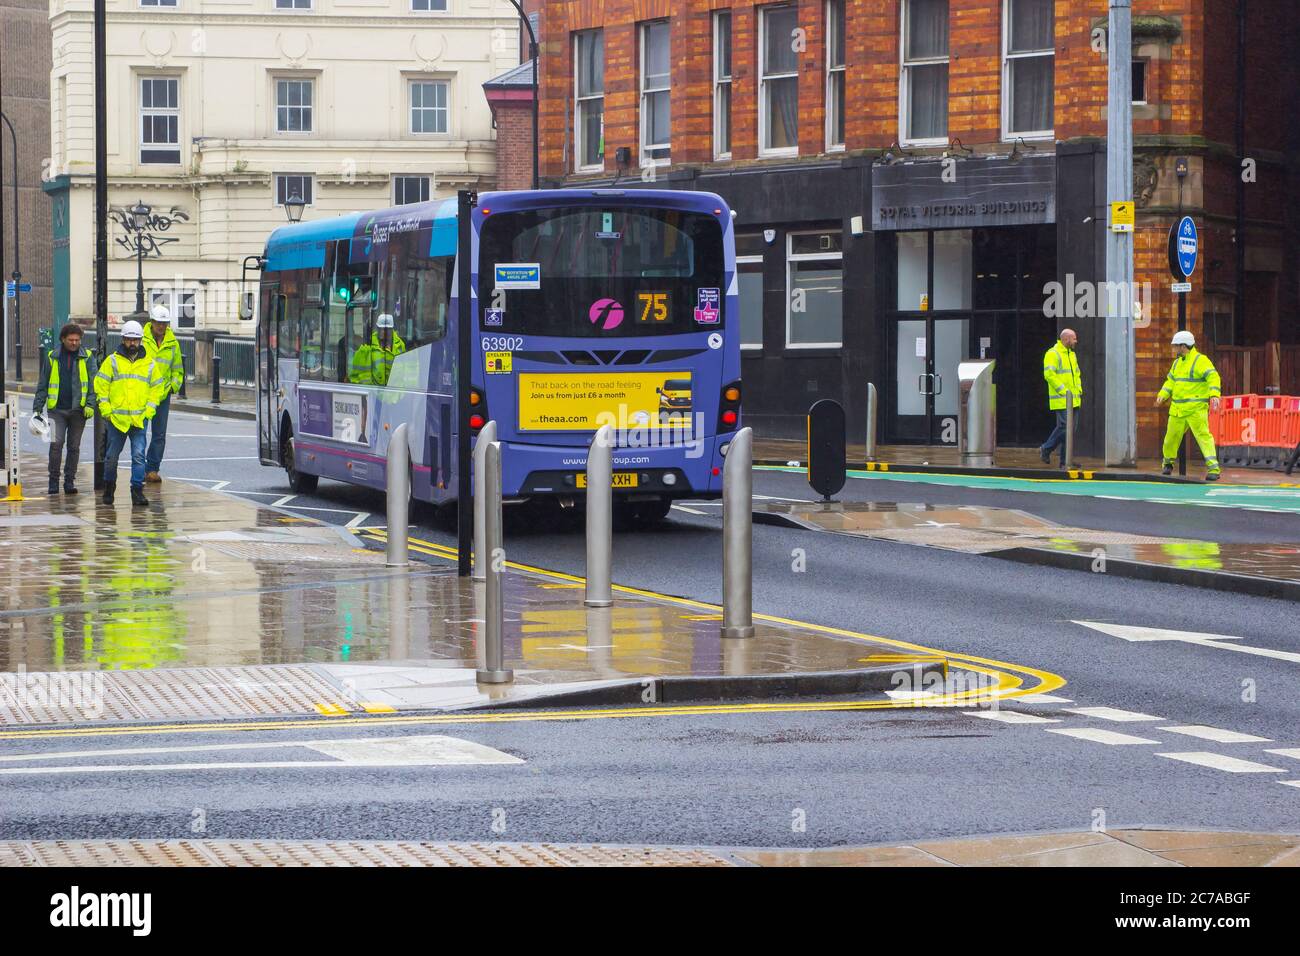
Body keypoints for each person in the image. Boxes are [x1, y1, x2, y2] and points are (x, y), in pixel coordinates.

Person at [95, 320, 168, 507]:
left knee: (138, 456)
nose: (132, 343)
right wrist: (106, 411)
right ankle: (109, 487)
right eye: (129, 339)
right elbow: (101, 386)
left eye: (136, 340)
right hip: (117, 420)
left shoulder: (149, 364)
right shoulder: (112, 361)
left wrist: (149, 411)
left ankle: (137, 491)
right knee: (111, 457)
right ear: (123, 339)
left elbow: (157, 389)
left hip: (138, 419)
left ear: (141, 341)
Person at [32, 322, 97, 495]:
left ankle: (69, 482)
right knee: (56, 444)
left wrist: (90, 404)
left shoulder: (88, 357)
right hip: (56, 410)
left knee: (74, 447)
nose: (75, 343)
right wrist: (37, 409)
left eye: (77, 340)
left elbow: (93, 384)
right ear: (63, 339)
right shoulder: (52, 357)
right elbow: (43, 383)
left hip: (79, 411)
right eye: (71, 340)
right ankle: (53, 482)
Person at [1156, 329, 1221, 481]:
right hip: (1178, 409)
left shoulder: (1201, 361)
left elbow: (1213, 377)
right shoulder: (1177, 363)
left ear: (1183, 346)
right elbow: (1171, 381)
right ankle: (1167, 464)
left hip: (1195, 409)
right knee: (1170, 439)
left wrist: (1214, 394)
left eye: (1175, 346)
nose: (1173, 349)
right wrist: (1162, 394)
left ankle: (1214, 469)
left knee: (1204, 438)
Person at [142, 303, 184, 483]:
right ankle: (139, 467)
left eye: (165, 323)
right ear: (151, 322)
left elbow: (178, 370)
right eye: (159, 322)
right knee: (140, 432)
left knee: (159, 434)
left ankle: (152, 468)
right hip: (143, 393)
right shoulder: (141, 340)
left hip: (163, 394)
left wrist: (173, 386)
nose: (161, 326)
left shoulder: (173, 343)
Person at [1038, 328, 1083, 467]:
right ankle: (1046, 448)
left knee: (1070, 431)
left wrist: (1079, 390)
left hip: (1074, 399)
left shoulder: (1072, 355)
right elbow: (1049, 375)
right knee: (1064, 427)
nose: (1076, 341)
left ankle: (1065, 461)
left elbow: (1077, 374)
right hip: (1062, 398)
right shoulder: (1053, 354)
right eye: (1074, 338)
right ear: (1066, 339)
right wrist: (1063, 391)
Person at [349, 313, 406, 386]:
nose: (383, 332)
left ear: (392, 329)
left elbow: (406, 373)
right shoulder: (367, 346)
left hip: (394, 394)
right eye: (381, 329)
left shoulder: (400, 346)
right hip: (371, 394)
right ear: (377, 328)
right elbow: (355, 375)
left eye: (387, 330)